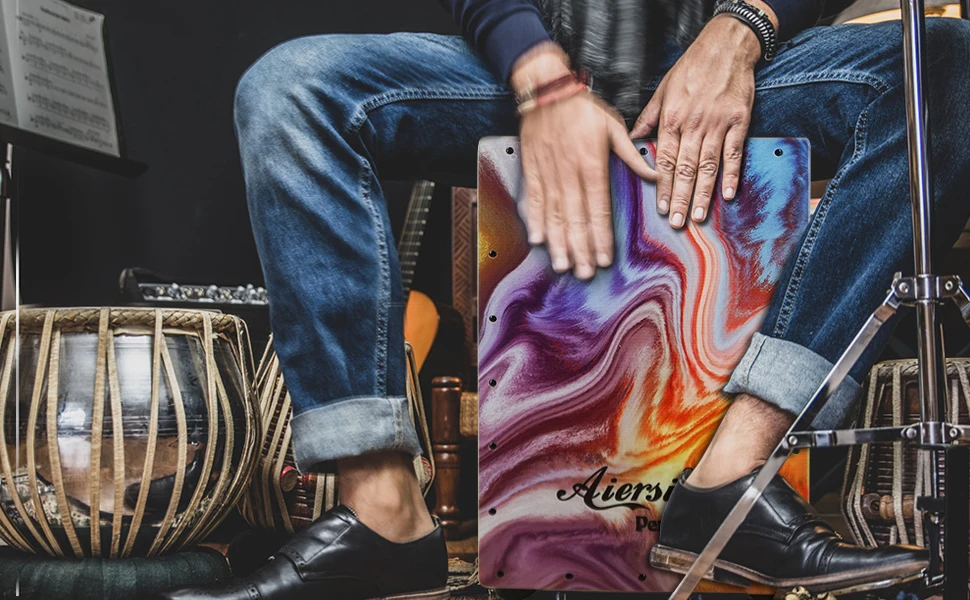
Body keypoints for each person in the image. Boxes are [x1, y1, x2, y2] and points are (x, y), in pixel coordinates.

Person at [157, 1, 970, 598]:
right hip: (536, 66)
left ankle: (730, 482)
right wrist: (542, 78)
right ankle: (383, 518)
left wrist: (743, 31)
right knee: (291, 88)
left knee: (947, 59)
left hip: (736, 66)